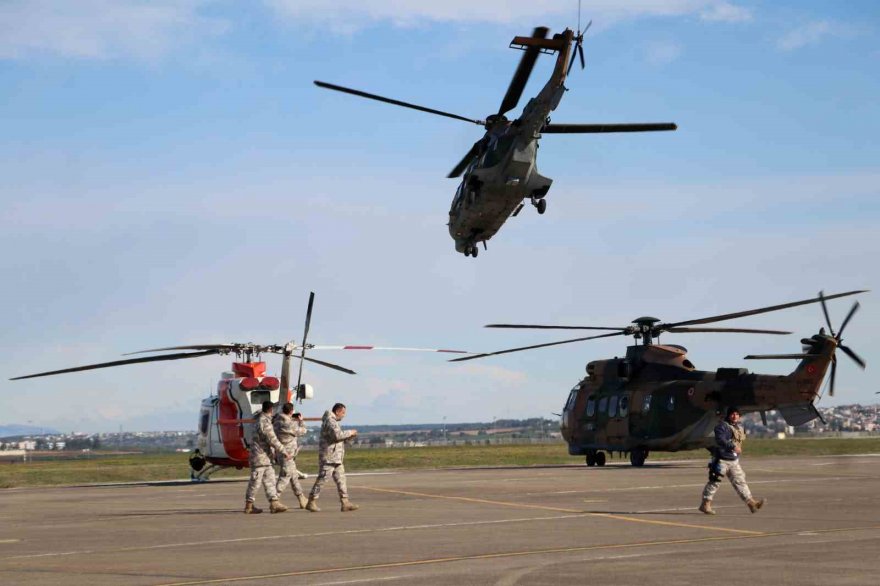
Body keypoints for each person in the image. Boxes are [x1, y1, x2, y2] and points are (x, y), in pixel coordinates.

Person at [699, 406, 766, 515]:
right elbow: (721, 440)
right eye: (732, 414)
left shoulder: (739, 427)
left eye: (737, 414)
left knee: (740, 481)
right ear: (728, 415)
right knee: (714, 482)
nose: (735, 416)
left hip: (733, 460)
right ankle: (705, 504)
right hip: (721, 460)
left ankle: (751, 503)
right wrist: (732, 447)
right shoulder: (722, 427)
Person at [306, 402, 359, 512]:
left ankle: (345, 502)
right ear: (337, 411)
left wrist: (350, 437)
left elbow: (338, 438)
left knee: (341, 480)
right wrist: (350, 432)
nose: (343, 415)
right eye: (343, 413)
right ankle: (311, 501)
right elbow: (337, 435)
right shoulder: (330, 421)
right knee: (322, 479)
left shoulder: (333, 421)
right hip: (329, 457)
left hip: (336, 457)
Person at [244, 401, 290, 514]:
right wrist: (283, 451)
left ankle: (274, 503)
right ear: (271, 410)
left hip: (265, 457)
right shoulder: (264, 422)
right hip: (259, 457)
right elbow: (272, 439)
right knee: (255, 482)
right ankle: (249, 505)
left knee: (270, 480)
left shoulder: (260, 419)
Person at [274, 402, 309, 508]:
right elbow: (303, 431)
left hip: (281, 452)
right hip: (287, 454)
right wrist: (301, 421)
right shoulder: (288, 423)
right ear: (291, 411)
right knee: (285, 476)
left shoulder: (276, 421)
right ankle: (274, 499)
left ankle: (301, 498)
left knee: (294, 477)